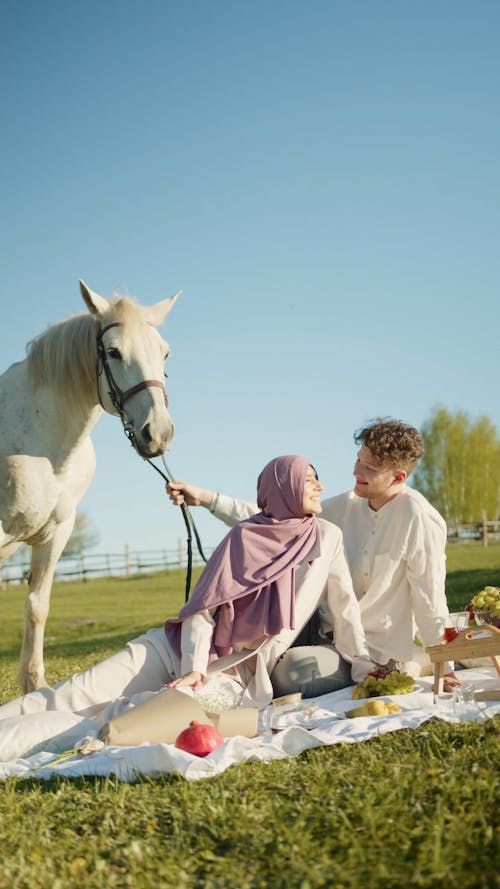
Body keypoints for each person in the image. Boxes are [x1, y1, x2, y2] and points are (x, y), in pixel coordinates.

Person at [0, 455, 373, 732]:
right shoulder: (244, 537)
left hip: (233, 675)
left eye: (316, 479)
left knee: (121, 717)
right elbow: (202, 611)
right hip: (170, 650)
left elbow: (345, 608)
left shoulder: (327, 538)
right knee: (72, 695)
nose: (319, 486)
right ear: (284, 488)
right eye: (308, 480)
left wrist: (363, 664)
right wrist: (192, 669)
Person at [167, 419, 460, 693]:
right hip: (316, 631)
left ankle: (413, 663)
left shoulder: (419, 519)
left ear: (399, 476)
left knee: (292, 673)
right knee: (244, 649)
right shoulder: (345, 504)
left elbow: (429, 598)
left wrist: (444, 667)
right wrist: (205, 499)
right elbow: (274, 518)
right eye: (359, 459)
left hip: (371, 652)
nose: (357, 472)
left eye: (370, 468)